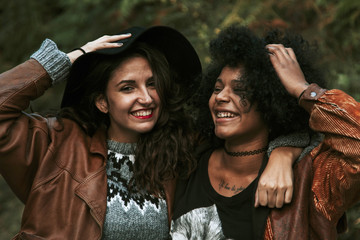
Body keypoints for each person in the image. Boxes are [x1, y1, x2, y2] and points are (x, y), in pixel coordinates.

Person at [0, 25, 305, 239]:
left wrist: (283, 151)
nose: (145, 98)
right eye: (127, 88)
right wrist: (69, 58)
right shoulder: (57, 145)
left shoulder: (180, 149)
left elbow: (251, 129)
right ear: (102, 102)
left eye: (151, 84)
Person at [170, 25, 360, 240]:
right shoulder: (185, 157)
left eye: (240, 90)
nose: (221, 97)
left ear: (272, 102)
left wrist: (302, 89)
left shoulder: (310, 181)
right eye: (217, 88)